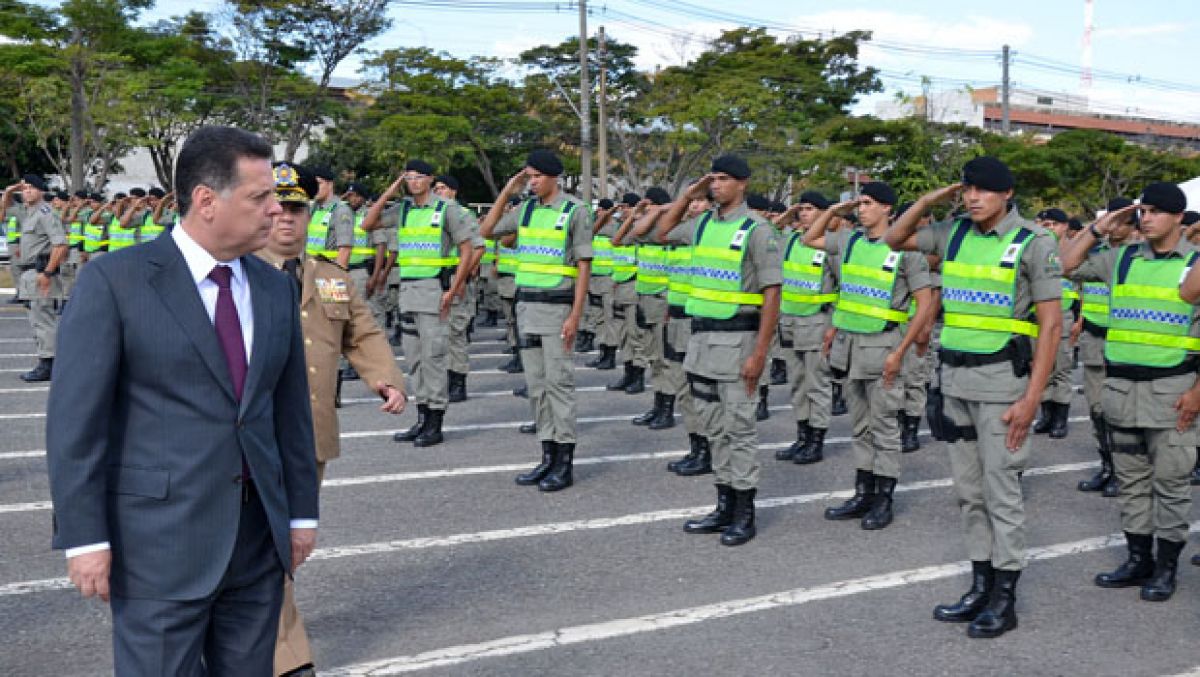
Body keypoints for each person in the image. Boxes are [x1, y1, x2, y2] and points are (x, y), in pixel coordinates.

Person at [46, 125, 320, 675]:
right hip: (157, 545)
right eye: (259, 197)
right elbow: (76, 424)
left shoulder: (273, 287)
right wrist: (83, 537)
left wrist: (300, 514)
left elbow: (289, 412)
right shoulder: (116, 282)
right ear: (205, 201)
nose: (276, 211)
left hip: (256, 541)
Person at [885, 156, 1063, 638]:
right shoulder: (954, 232)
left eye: (982, 190)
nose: (972, 197)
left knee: (1001, 493)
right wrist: (928, 200)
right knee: (968, 494)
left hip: (1003, 384)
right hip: (955, 381)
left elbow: (1051, 325)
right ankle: (980, 584)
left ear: (1006, 194)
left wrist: (1033, 398)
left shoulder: (1034, 241)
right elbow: (893, 239)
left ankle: (1004, 598)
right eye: (966, 190)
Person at [259, 162, 406, 677]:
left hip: (311, 434)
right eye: (275, 208)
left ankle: (257, 633)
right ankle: (287, 652)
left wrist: (384, 378)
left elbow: (361, 335)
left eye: (296, 209)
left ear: (309, 214)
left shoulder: (331, 277)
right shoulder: (235, 271)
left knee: (288, 544)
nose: (285, 219)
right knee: (267, 542)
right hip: (250, 435)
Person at [1065, 182, 1199, 603]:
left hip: (1173, 390)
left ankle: (1165, 567)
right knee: (1132, 483)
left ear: (1179, 217)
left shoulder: (1195, 265)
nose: (1148, 217)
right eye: (1144, 211)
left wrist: (1198, 393)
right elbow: (1066, 264)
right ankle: (1138, 559)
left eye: (1158, 211)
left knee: (1172, 484)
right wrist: (1100, 226)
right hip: (1121, 389)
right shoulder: (1119, 259)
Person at [656, 154, 783, 546]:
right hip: (701, 341)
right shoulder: (703, 224)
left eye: (724, 179)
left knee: (739, 429)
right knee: (713, 427)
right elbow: (662, 231)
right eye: (713, 180)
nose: (716, 185)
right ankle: (723, 503)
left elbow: (772, 292)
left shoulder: (757, 230)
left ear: (742, 184)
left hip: (738, 340)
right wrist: (688, 193)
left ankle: (744, 512)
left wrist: (760, 353)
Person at [805, 183, 933, 530]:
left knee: (884, 426)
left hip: (885, 347)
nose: (861, 209)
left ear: (888, 209)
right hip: (850, 347)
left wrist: (902, 350)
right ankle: (863, 492)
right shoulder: (850, 241)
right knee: (860, 426)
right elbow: (809, 240)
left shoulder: (906, 250)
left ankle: (884, 499)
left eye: (869, 203)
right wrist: (832, 212)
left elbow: (926, 304)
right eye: (859, 203)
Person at [480, 150, 592, 492]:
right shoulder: (525, 209)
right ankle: (547, 456)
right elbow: (486, 230)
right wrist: (507, 191)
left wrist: (576, 314)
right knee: (538, 387)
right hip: (527, 307)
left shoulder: (575, 211)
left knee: (559, 385)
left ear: (553, 177)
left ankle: (565, 462)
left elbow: (584, 264)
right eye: (528, 177)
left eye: (537, 177)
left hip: (558, 309)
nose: (532, 182)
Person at [363, 160, 479, 448]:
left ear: (430, 179)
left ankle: (435, 422)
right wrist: (390, 189)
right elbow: (368, 223)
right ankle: (421, 416)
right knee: (414, 359)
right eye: (408, 178)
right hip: (408, 291)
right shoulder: (403, 209)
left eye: (418, 178)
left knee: (434, 358)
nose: (413, 182)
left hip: (434, 290)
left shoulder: (446, 209)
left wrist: (454, 288)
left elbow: (469, 249)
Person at [1070, 198, 1137, 497]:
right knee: (1097, 409)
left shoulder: (1143, 255)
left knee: (1123, 414)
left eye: (1117, 220)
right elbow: (1065, 264)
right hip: (1096, 341)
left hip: (1129, 346)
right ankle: (1108, 465)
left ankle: (1125, 473)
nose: (1112, 225)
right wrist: (1093, 231)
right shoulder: (1099, 255)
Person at [772, 191, 837, 464]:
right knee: (798, 383)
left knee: (817, 383)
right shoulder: (789, 242)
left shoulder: (829, 246)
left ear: (823, 214)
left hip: (817, 321)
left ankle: (816, 441)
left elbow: (844, 289)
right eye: (802, 209)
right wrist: (788, 214)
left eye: (810, 209)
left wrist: (833, 326)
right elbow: (767, 230)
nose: (803, 213)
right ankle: (802, 436)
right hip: (790, 322)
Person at [614, 187, 675, 427]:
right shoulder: (644, 233)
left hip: (664, 301)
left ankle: (667, 409)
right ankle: (657, 406)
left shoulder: (669, 232)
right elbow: (618, 240)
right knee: (654, 358)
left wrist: (657, 210)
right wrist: (634, 214)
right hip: (646, 299)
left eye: (646, 208)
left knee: (664, 359)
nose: (643, 214)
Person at [2, 174, 68, 382]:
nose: (27, 191)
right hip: (29, 274)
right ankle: (45, 361)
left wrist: (47, 273)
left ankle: (49, 364)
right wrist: (11, 190)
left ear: (41, 191)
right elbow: (2, 214)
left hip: (41, 272)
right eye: (25, 188)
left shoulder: (46, 213)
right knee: (36, 319)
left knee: (44, 320)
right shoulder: (27, 212)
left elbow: (60, 245)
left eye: (31, 188)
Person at [431, 174, 486, 403]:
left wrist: (461, 279)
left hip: (456, 278)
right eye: (436, 188)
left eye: (443, 188)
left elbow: (478, 248)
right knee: (440, 334)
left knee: (455, 333)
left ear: (453, 191)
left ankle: (458, 383)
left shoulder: (462, 214)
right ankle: (445, 379)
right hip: (437, 281)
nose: (438, 192)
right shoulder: (435, 214)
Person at [1029, 208, 1077, 439]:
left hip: (1063, 317)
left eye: (1053, 225)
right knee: (1042, 368)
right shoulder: (1036, 247)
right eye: (1044, 224)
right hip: (1037, 318)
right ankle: (1046, 415)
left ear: (1065, 226)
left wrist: (1081, 319)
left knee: (1062, 369)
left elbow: (1084, 290)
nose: (1048, 229)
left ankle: (1060, 418)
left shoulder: (1073, 251)